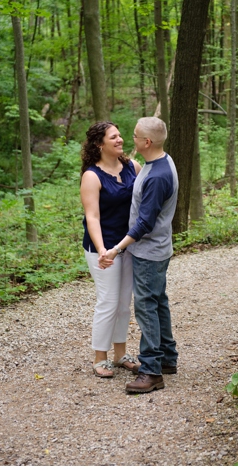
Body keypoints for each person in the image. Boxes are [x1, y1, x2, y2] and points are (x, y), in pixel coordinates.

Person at [100, 116, 179, 393]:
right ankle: (167, 358)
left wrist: (118, 247)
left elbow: (145, 223)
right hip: (157, 248)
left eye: (133, 136)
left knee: (146, 308)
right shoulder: (159, 162)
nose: (128, 140)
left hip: (149, 251)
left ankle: (151, 371)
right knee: (158, 302)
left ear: (146, 142)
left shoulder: (157, 175)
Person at [80, 121, 142, 378]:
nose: (120, 140)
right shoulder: (91, 176)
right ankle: (99, 358)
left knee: (124, 304)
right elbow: (92, 216)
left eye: (120, 135)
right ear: (99, 144)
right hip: (102, 250)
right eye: (113, 137)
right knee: (108, 302)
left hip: (127, 245)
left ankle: (120, 354)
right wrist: (103, 250)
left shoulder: (133, 167)